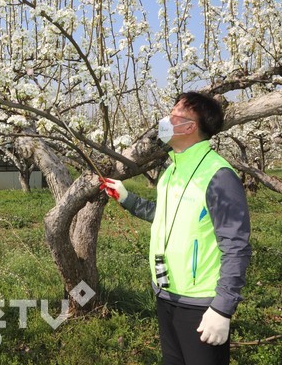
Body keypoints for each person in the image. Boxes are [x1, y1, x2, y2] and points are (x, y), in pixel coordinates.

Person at [101, 92, 252, 365]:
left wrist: (222, 308)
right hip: (166, 294)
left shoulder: (218, 175)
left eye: (174, 116)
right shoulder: (171, 170)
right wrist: (127, 198)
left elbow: (236, 246)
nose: (165, 121)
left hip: (200, 303)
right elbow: (166, 216)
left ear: (191, 127)